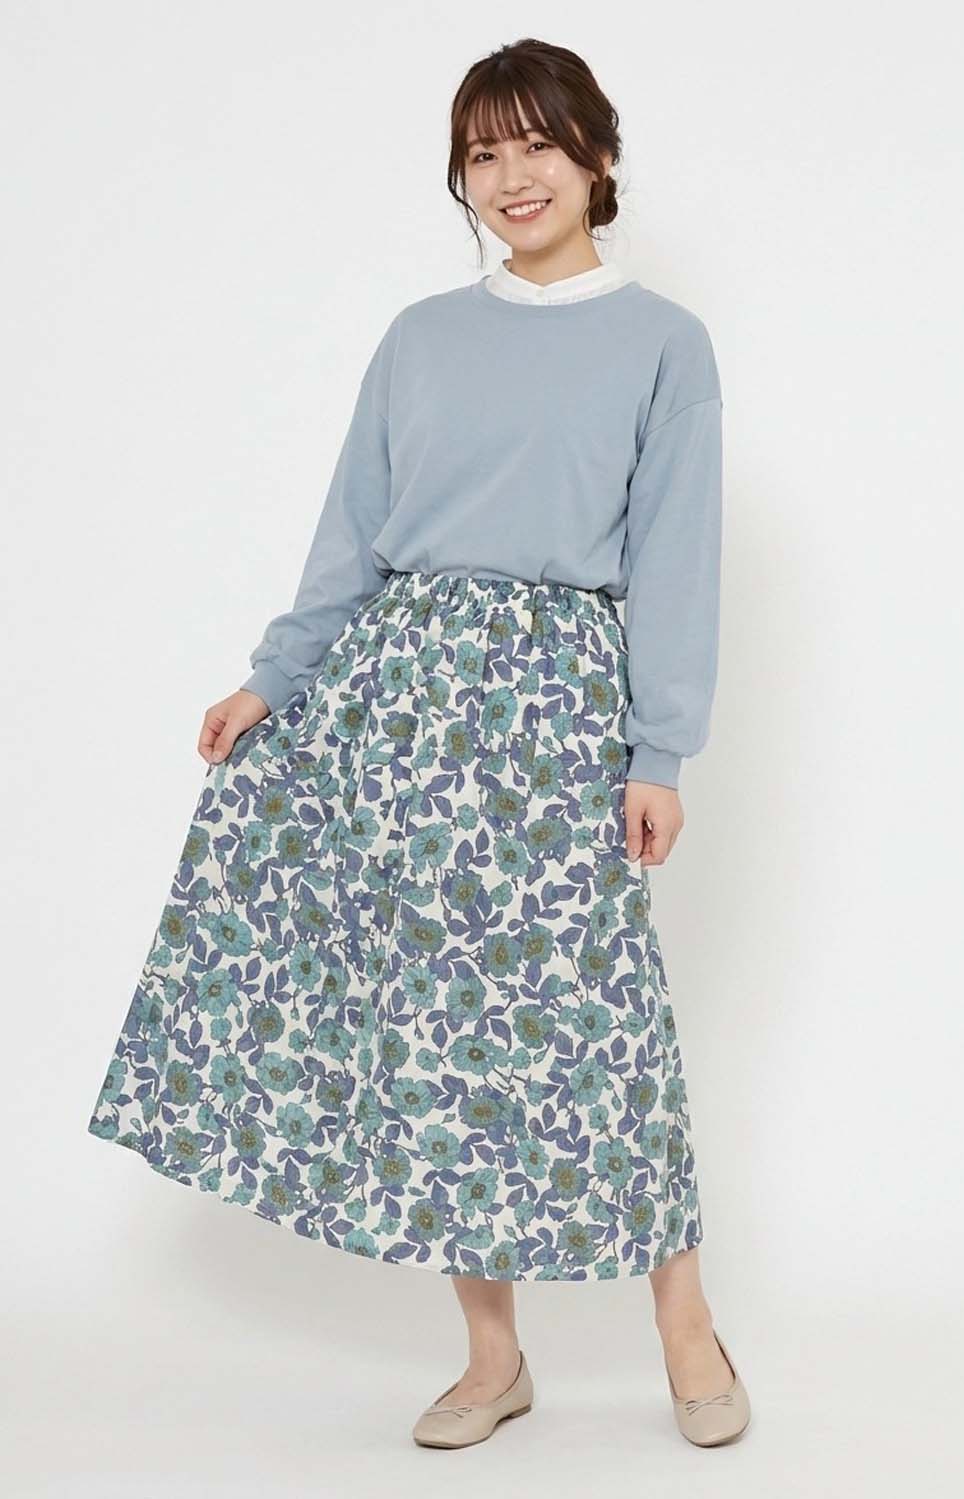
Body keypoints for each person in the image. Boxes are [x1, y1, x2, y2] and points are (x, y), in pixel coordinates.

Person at [86, 37, 750, 1449]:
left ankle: (686, 1324)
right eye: (483, 153)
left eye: (538, 144)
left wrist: (660, 753)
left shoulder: (664, 344)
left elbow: (676, 557)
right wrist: (276, 679)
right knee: (433, 1035)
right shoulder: (421, 337)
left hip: (557, 715)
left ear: (598, 157)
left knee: (601, 1021)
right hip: (399, 714)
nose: (512, 177)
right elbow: (355, 532)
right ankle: (493, 1357)